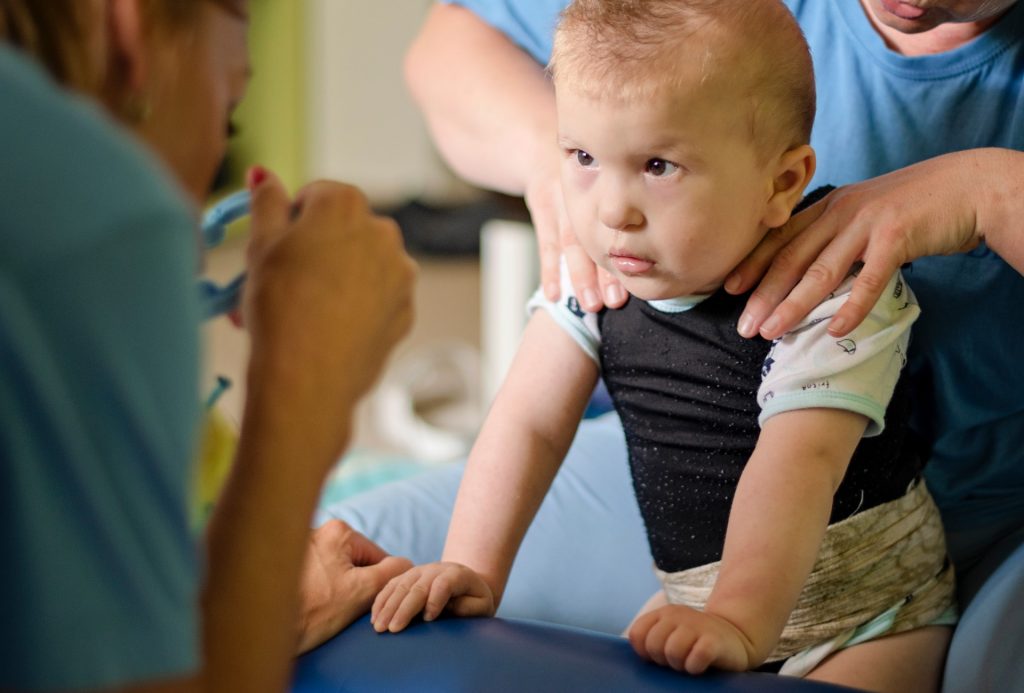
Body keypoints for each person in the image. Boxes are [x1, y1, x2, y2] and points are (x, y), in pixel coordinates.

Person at [372, 2, 955, 688]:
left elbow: (802, 459)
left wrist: (738, 619)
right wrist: (472, 566)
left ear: (783, 182)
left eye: (658, 165)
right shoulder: (602, 277)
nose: (613, 210)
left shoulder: (826, 286)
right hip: (698, 601)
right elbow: (526, 421)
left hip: (868, 614)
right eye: (584, 157)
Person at [0, 0, 416, 690]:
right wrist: (303, 386)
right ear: (129, 31)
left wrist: (241, 606)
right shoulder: (89, 219)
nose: (193, 243)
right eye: (229, 116)